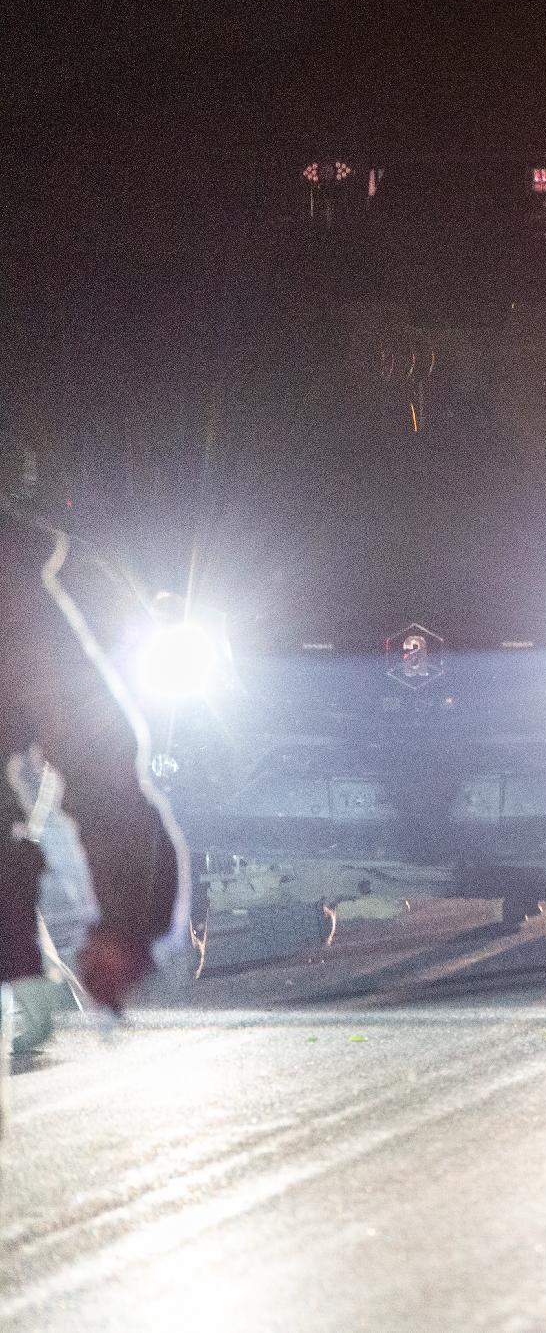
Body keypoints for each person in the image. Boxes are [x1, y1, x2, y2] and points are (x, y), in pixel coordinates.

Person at [1, 430, 189, 1125]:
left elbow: (102, 766)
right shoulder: (17, 600)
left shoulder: (15, 602)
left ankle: (35, 1003)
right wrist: (125, 927)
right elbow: (105, 769)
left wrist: (125, 925)